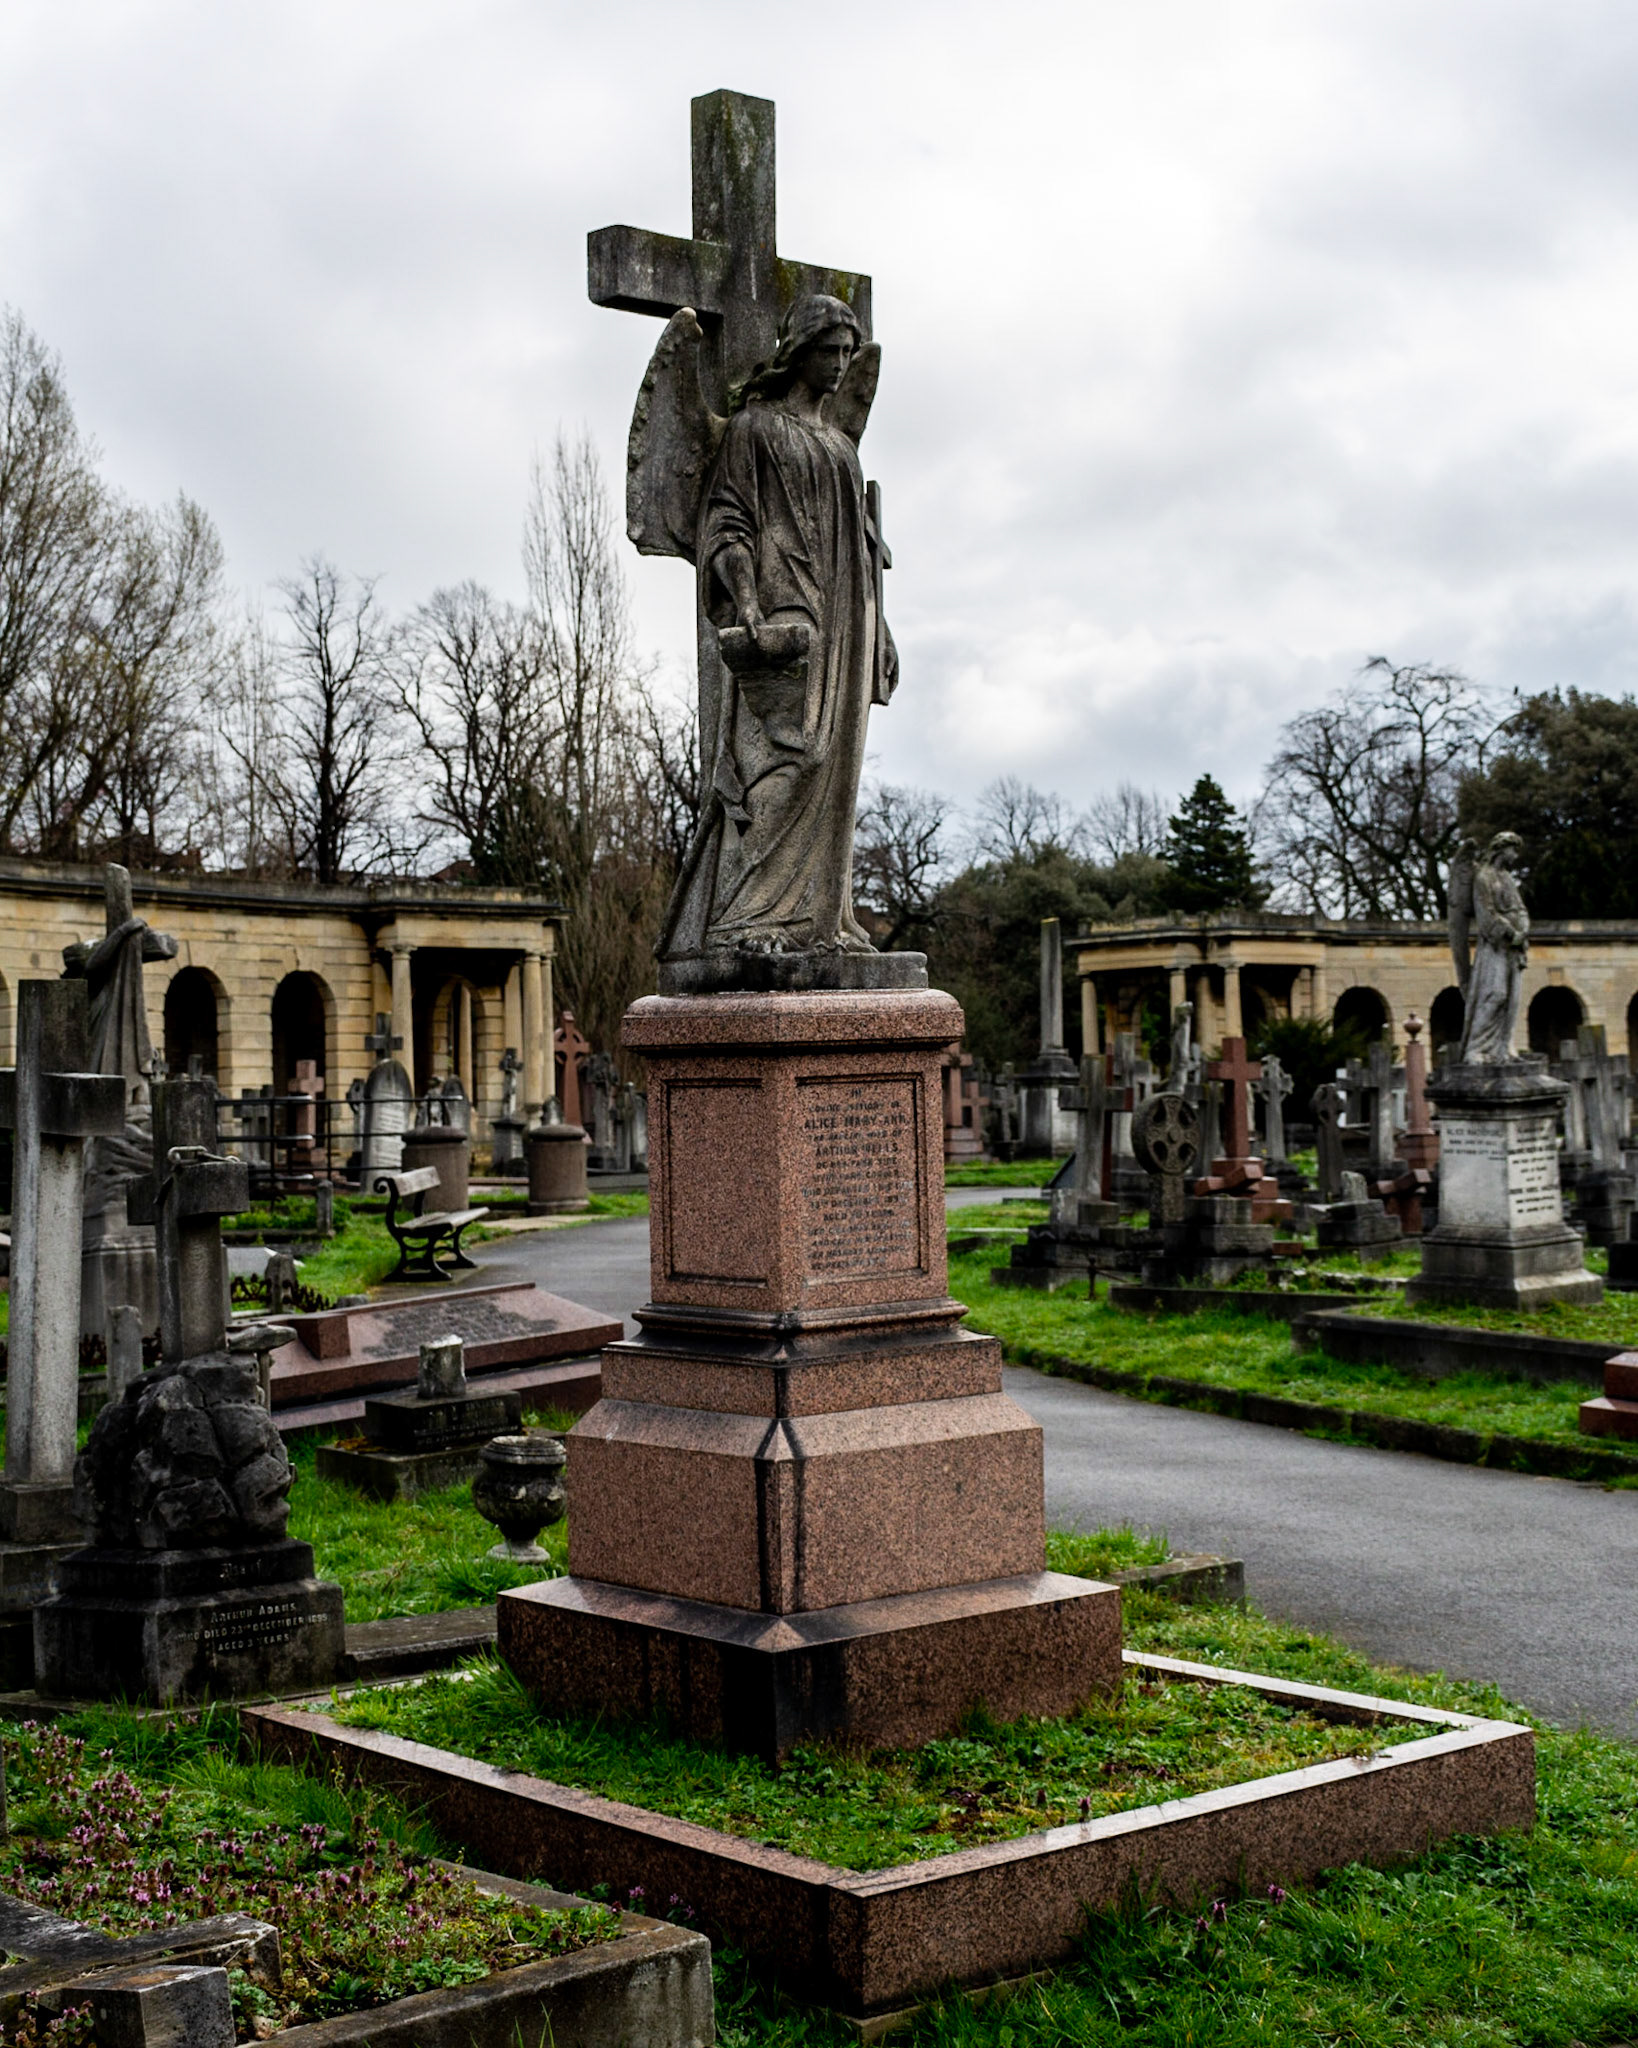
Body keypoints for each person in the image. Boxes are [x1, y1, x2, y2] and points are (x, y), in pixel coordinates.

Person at [659, 294, 894, 963]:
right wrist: (747, 605)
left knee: (839, 763)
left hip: (845, 625)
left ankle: (826, 918)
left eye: (849, 354)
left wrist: (881, 630)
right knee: (791, 757)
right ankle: (746, 920)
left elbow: (866, 551)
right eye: (831, 351)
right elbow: (727, 521)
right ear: (800, 350)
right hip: (786, 618)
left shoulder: (841, 449)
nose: (841, 365)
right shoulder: (753, 428)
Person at [1459, 832, 1528, 1062]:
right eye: (1513, 850)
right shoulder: (1483, 877)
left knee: (1513, 999)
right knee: (1496, 994)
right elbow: (1485, 914)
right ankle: (1476, 1049)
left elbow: (1520, 909)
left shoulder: (1507, 878)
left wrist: (1524, 928)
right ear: (1501, 848)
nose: (1516, 856)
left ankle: (1504, 1048)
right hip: (1494, 946)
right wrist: (1510, 932)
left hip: (1515, 947)